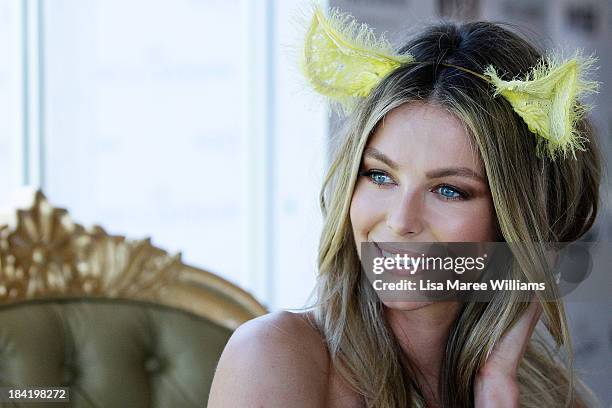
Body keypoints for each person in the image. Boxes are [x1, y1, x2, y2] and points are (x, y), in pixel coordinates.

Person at [208, 6, 601, 408]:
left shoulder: (546, 393)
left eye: (448, 190)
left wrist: (496, 387)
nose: (400, 221)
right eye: (380, 176)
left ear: (516, 218)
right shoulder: (272, 356)